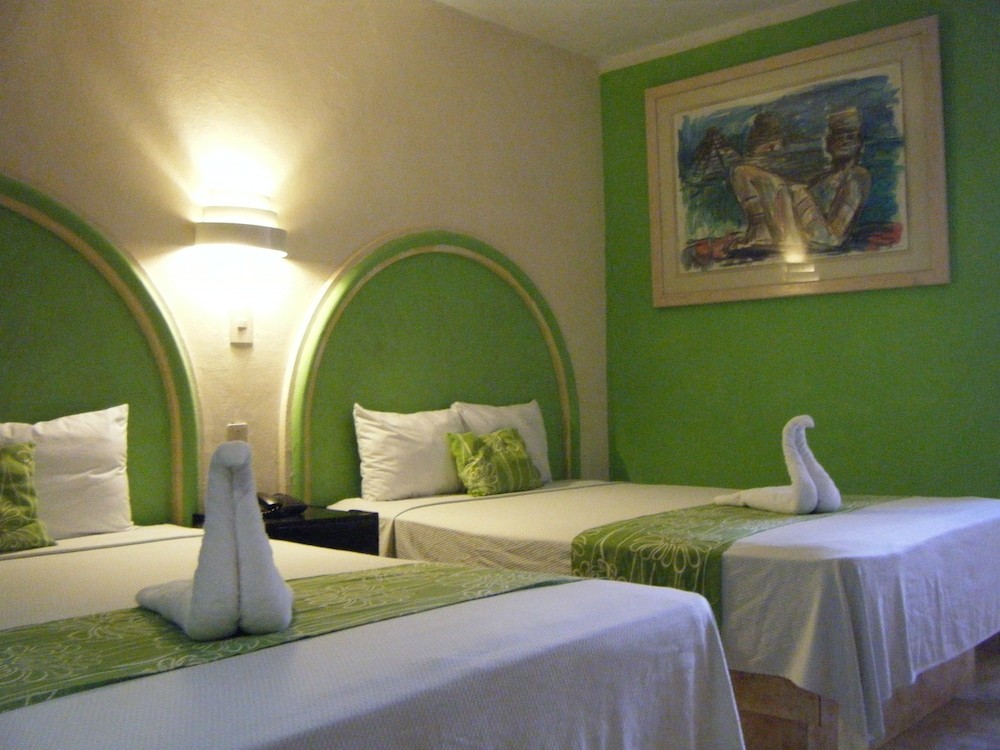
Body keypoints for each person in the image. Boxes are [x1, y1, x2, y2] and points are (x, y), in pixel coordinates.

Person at [728, 107, 870, 255]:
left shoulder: (857, 175)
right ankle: (762, 231)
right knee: (742, 172)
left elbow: (836, 233)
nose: (844, 142)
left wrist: (794, 191)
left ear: (859, 144)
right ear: (829, 143)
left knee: (749, 174)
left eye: (850, 138)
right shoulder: (824, 177)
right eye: (839, 138)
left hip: (826, 237)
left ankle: (767, 234)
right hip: (810, 229)